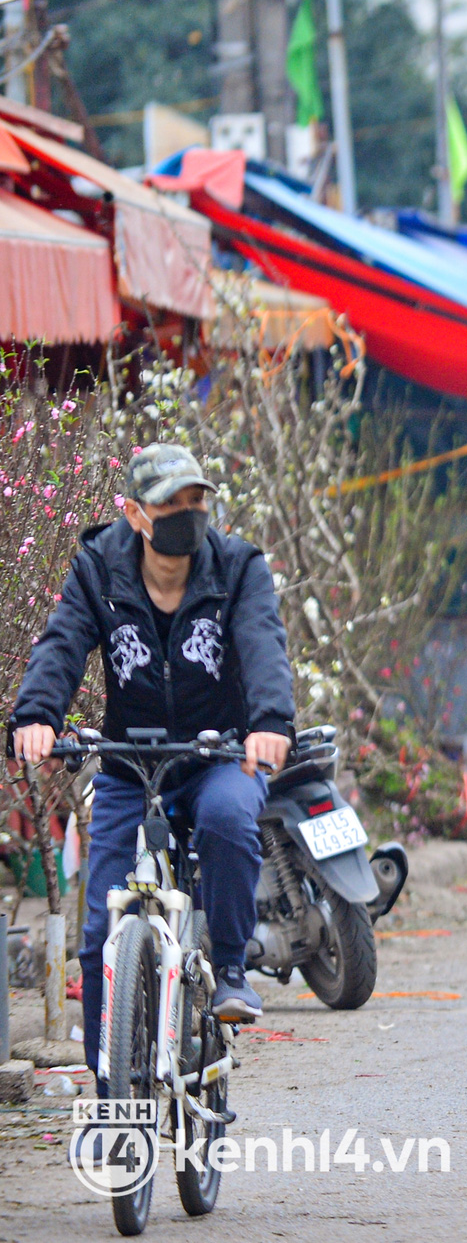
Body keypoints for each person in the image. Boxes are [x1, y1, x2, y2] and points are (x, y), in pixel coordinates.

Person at [12, 444, 295, 1087]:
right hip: (129, 765)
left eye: (196, 500)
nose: (187, 513)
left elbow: (262, 643)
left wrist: (270, 725)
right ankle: (111, 1096)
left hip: (218, 755)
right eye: (171, 503)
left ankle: (230, 968)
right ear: (136, 514)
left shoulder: (238, 566)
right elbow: (62, 642)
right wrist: (37, 715)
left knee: (228, 820)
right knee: (100, 933)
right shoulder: (98, 567)